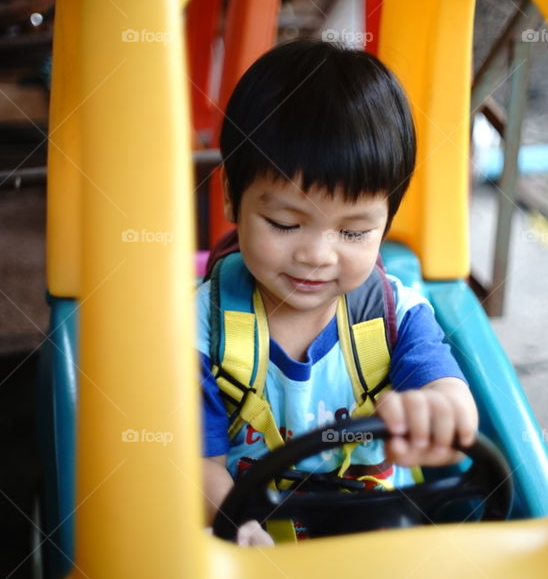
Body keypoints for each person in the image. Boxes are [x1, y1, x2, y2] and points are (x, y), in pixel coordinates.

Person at [199, 39, 477, 546]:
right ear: (231, 199)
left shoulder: (397, 317)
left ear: (385, 222)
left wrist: (440, 414)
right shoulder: (200, 329)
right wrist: (236, 526)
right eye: (285, 223)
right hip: (246, 529)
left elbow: (446, 392)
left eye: (353, 233)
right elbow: (195, 465)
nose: (318, 255)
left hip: (372, 529)